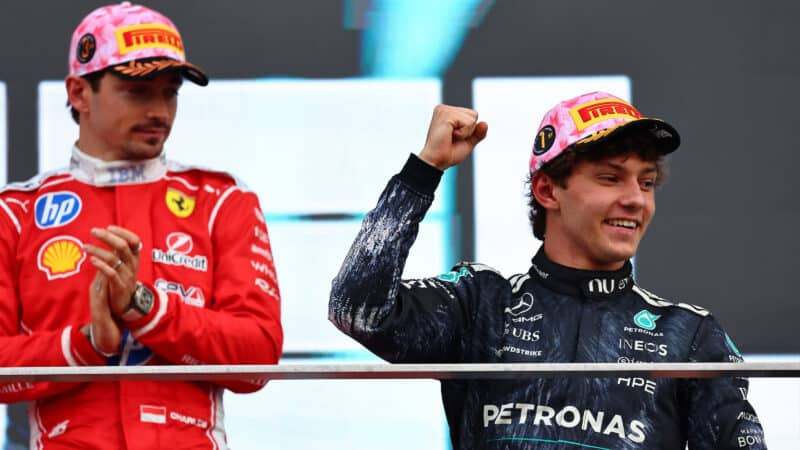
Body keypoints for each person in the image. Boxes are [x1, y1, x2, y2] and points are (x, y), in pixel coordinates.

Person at [329, 92, 767, 449]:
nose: (636, 199)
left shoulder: (689, 335)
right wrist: (424, 170)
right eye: (611, 178)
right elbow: (356, 309)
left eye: (646, 182)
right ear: (547, 190)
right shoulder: (480, 301)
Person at [0, 2, 282, 449]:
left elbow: (258, 359)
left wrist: (146, 308)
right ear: (78, 93)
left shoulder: (222, 200)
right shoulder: (16, 212)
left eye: (170, 93)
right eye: (138, 92)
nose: (159, 110)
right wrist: (88, 344)